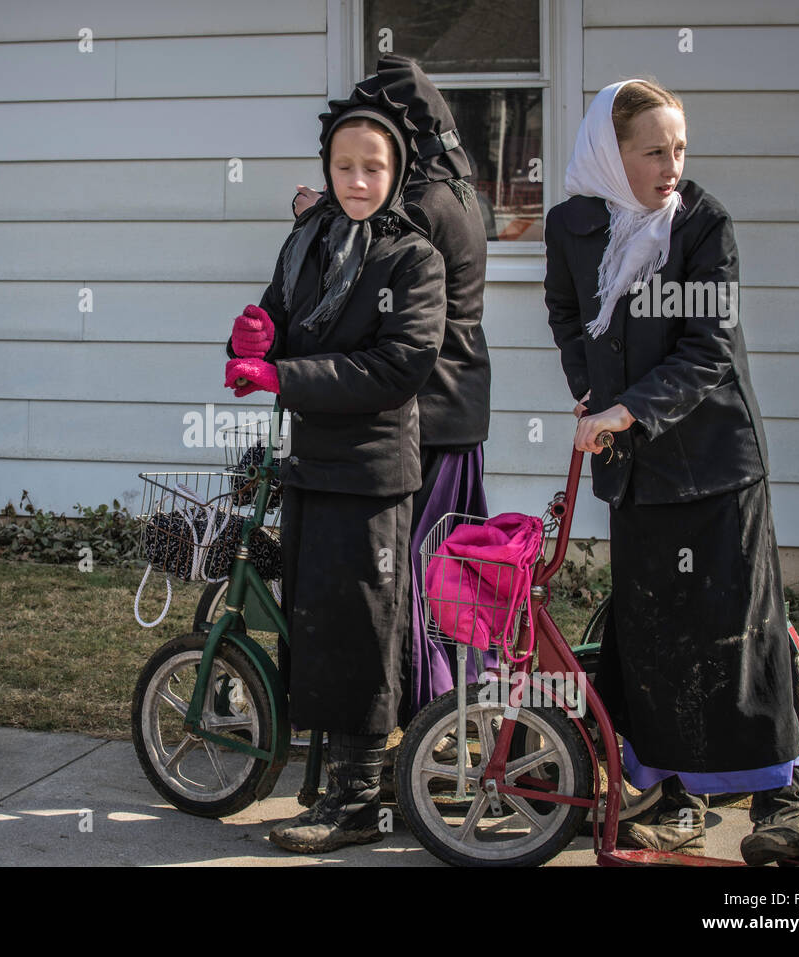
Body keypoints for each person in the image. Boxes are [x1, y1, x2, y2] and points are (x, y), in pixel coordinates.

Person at [544, 79, 799, 864]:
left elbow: (707, 348)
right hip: (639, 474)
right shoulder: (573, 225)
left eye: (679, 148)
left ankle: (780, 802)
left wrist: (626, 409)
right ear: (610, 151)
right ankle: (676, 800)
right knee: (654, 634)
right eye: (653, 150)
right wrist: (588, 388)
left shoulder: (703, 224)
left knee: (740, 632)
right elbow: (565, 313)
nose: (672, 165)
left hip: (717, 464)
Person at [225, 87, 445, 853]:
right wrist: (254, 335)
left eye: (372, 167)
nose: (356, 181)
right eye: (344, 166)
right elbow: (276, 321)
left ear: (396, 171)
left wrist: (285, 376)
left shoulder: (413, 257)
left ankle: (357, 799)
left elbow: (398, 366)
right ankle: (329, 779)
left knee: (363, 634)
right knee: (316, 625)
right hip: (311, 465)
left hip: (372, 472)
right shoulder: (308, 242)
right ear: (326, 165)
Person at [293, 57, 491, 720]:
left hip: (424, 413)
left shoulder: (423, 204)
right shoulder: (461, 187)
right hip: (462, 407)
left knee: (408, 581)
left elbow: (372, 243)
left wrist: (314, 214)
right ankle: (449, 712)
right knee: (446, 579)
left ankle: (421, 716)